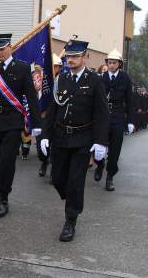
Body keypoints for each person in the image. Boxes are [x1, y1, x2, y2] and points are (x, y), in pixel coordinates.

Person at [40, 40, 109, 242]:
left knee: (75, 182)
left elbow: (102, 113)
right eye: (68, 56)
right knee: (58, 179)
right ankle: (71, 199)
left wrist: (101, 142)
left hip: (82, 138)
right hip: (61, 137)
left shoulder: (95, 80)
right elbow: (52, 110)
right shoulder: (61, 79)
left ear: (85, 57)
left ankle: (71, 219)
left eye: (75, 56)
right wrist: (45, 135)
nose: (70, 60)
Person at [0, 34, 41, 219]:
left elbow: (31, 96)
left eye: (2, 48)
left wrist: (35, 123)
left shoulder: (22, 68)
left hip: (12, 121)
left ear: (10, 47)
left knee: (6, 160)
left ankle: (2, 197)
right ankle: (1, 179)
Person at [94, 49, 134, 191]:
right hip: (102, 118)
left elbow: (130, 101)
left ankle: (110, 177)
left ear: (119, 64)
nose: (111, 65)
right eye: (109, 62)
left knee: (115, 150)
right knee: (97, 146)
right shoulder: (100, 78)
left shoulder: (125, 79)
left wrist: (130, 121)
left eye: (114, 63)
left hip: (117, 117)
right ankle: (99, 165)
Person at [37, 54, 63, 177]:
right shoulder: (42, 80)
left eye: (56, 66)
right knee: (41, 144)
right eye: (52, 66)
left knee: (56, 147)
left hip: (58, 118)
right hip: (43, 116)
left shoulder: (63, 80)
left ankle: (54, 170)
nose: (54, 69)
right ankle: (43, 162)